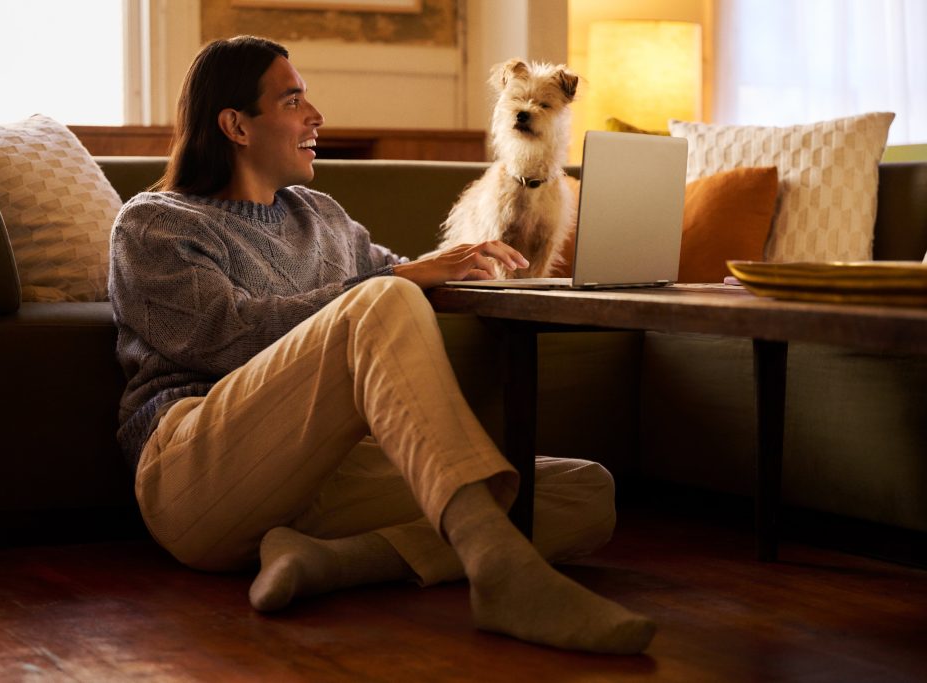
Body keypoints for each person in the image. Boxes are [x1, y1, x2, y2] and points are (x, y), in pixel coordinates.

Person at [109, 35, 655, 655]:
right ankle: (499, 570)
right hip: (196, 472)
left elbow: (395, 283)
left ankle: (331, 562)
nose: (316, 118)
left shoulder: (323, 215)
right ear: (235, 124)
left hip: (320, 474)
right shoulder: (155, 222)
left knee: (584, 493)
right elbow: (223, 335)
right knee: (383, 297)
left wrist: (472, 264)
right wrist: (398, 280)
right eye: (294, 102)